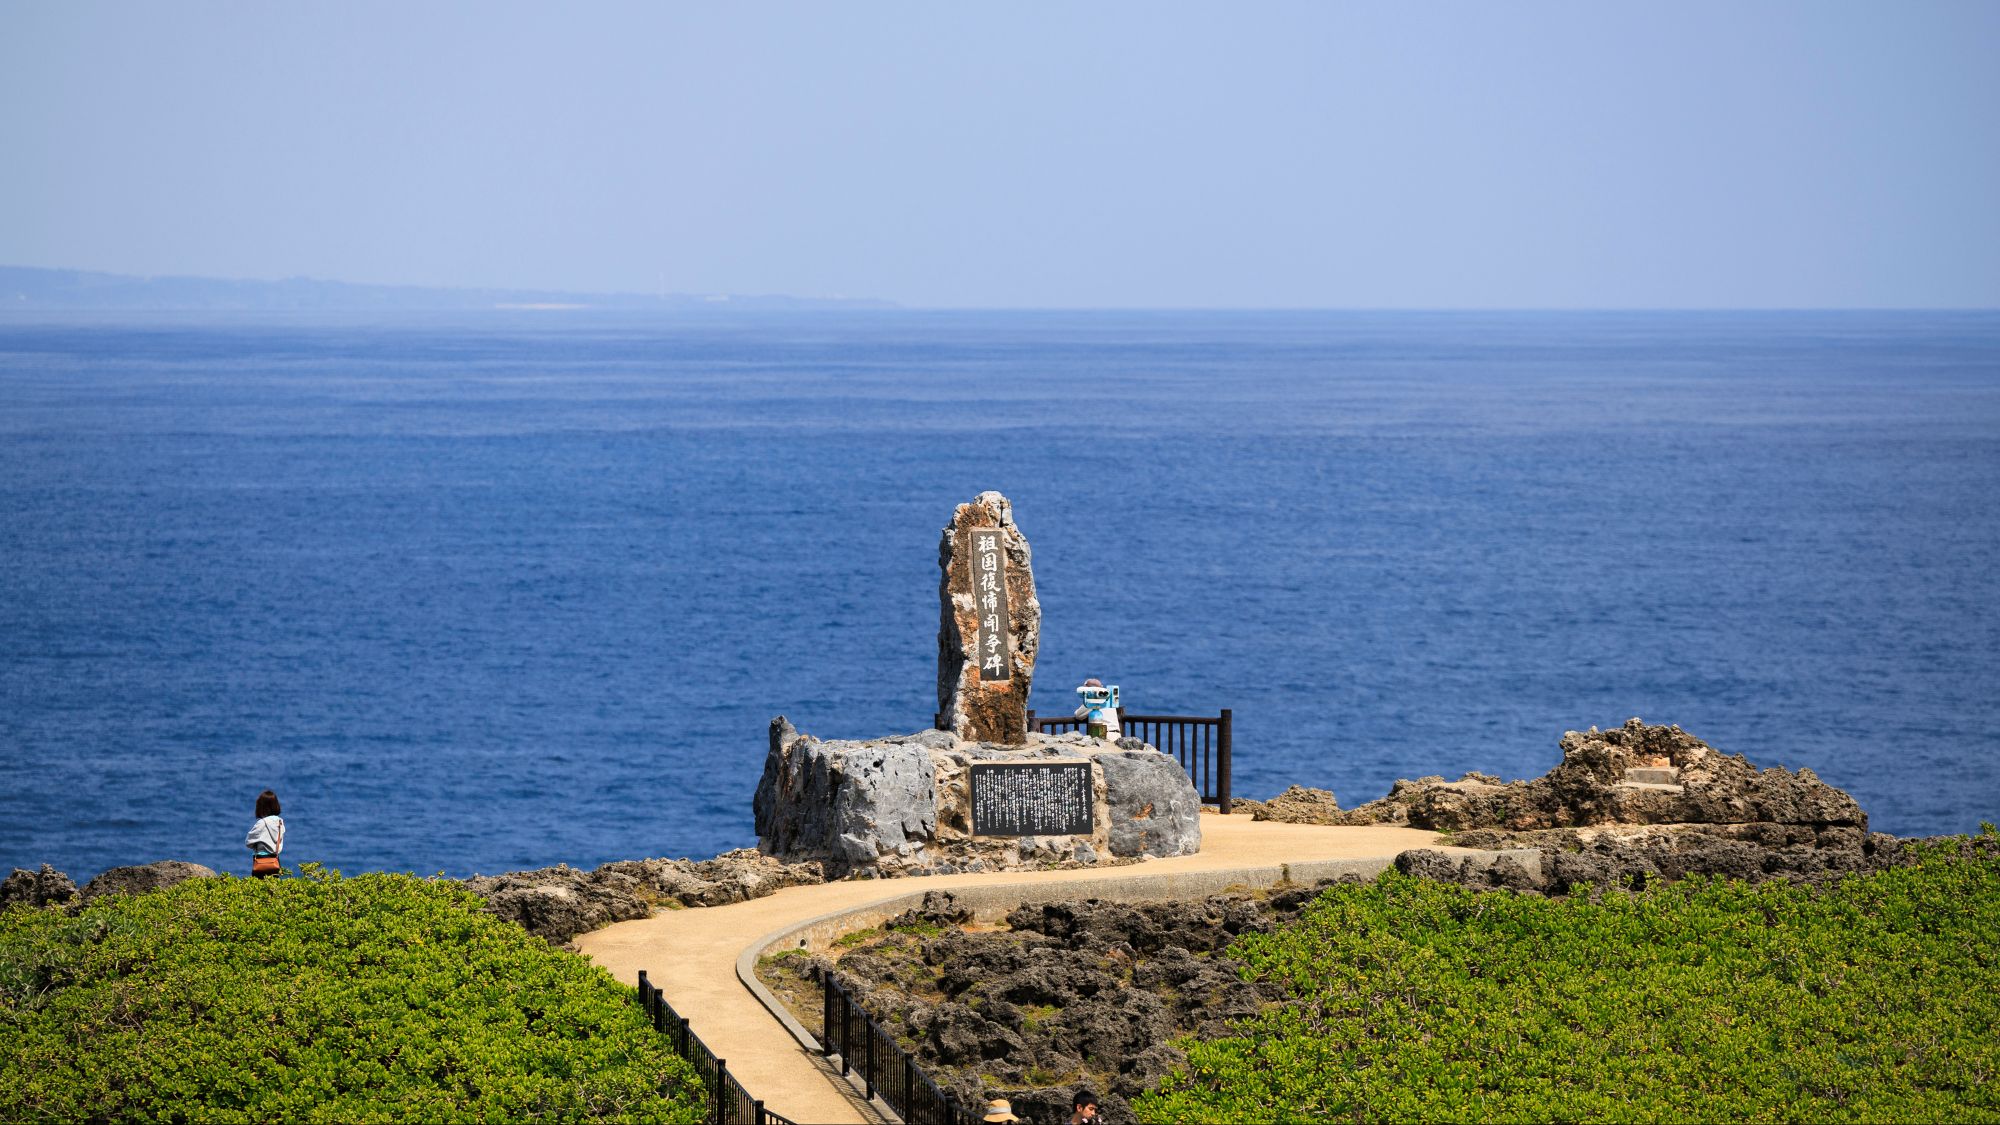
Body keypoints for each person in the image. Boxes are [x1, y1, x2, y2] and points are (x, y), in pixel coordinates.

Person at [246, 789, 285, 877]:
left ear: (261, 806)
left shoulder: (261, 823)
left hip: (261, 861)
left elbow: (248, 842)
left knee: (259, 888)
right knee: (273, 888)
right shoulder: (280, 822)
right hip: (275, 861)